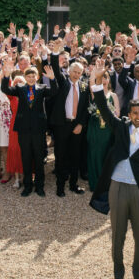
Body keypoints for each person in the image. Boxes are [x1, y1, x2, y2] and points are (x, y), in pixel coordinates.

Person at [88, 59, 139, 279]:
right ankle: (118, 277)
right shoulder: (120, 127)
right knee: (117, 236)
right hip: (117, 187)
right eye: (134, 112)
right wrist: (98, 81)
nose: (138, 116)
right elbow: (103, 107)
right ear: (128, 114)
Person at [1, 57, 59, 197]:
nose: (31, 78)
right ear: (25, 77)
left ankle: (39, 185)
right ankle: (27, 185)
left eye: (33, 76)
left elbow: (54, 92)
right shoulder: (20, 88)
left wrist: (52, 79)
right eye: (29, 76)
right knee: (26, 157)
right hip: (24, 129)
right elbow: (5, 89)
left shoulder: (42, 88)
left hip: (38, 129)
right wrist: (7, 76)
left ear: (37, 77)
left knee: (38, 158)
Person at [49, 58, 90, 196]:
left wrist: (81, 124)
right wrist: (55, 53)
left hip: (76, 125)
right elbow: (55, 68)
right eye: (74, 72)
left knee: (75, 155)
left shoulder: (84, 86)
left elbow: (85, 108)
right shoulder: (63, 82)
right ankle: (60, 186)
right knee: (60, 156)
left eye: (79, 73)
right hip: (62, 124)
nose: (76, 75)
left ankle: (73, 184)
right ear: (69, 71)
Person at [86, 69, 119, 193]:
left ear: (109, 79)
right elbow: (91, 83)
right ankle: (94, 183)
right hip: (95, 129)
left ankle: (106, 183)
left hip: (108, 131)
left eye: (106, 77)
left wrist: (109, 113)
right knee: (94, 154)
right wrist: (95, 72)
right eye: (102, 77)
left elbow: (118, 113)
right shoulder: (95, 92)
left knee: (106, 156)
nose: (104, 80)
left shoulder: (113, 96)